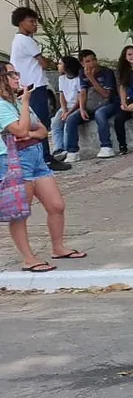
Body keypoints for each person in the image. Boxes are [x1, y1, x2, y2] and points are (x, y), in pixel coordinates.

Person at [0, 60, 85, 272]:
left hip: (35, 156)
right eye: (12, 74)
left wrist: (29, 131)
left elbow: (41, 130)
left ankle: (58, 247)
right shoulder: (4, 105)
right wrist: (26, 106)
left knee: (56, 205)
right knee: (20, 212)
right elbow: (19, 130)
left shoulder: (17, 102)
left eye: (16, 73)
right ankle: (28, 258)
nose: (17, 77)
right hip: (15, 159)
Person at [9, 7, 70, 171]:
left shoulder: (18, 40)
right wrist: (51, 61)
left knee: (35, 122)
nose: (35, 25)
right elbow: (43, 63)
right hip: (35, 86)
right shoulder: (26, 41)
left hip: (28, 86)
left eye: (35, 22)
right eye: (31, 21)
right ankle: (46, 159)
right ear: (21, 22)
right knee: (40, 123)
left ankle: (43, 156)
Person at [63, 50, 119, 162]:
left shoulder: (106, 72)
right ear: (82, 63)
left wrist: (91, 78)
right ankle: (72, 151)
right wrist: (82, 109)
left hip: (109, 103)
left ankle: (106, 146)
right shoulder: (82, 72)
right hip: (91, 104)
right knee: (71, 119)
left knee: (100, 114)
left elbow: (106, 94)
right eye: (88, 61)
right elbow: (83, 92)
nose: (92, 63)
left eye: (94, 60)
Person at [50, 55, 82, 161]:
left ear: (67, 66)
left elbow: (80, 99)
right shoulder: (61, 78)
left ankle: (66, 149)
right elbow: (62, 96)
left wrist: (69, 112)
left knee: (67, 123)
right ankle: (58, 149)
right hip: (66, 107)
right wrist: (64, 110)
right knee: (55, 123)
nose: (58, 66)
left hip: (76, 107)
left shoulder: (78, 79)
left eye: (60, 64)